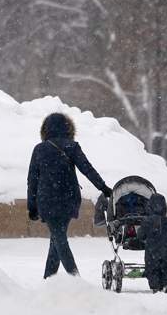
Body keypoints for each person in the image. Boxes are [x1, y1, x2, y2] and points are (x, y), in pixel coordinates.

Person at [27, 112, 112, 278]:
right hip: (68, 200)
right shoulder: (72, 146)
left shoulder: (39, 149)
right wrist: (103, 187)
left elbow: (32, 180)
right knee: (57, 239)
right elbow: (87, 169)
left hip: (47, 201)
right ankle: (49, 280)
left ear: (45, 130)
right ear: (68, 128)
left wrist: (32, 206)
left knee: (58, 239)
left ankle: (75, 279)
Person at [136, 193, 167, 293]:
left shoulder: (147, 221)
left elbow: (141, 235)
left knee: (152, 269)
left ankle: (156, 286)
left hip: (152, 250)